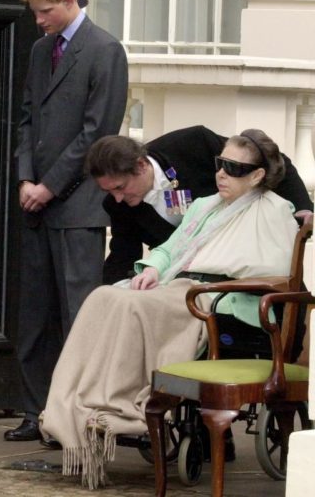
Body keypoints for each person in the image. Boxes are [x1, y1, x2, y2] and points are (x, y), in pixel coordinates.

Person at [40, 129, 299, 488]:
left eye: (234, 168)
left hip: (228, 299)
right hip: (185, 285)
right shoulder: (205, 205)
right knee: (104, 298)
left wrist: (198, 272)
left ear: (256, 175)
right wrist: (154, 269)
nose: (222, 173)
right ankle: (77, 409)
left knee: (138, 309)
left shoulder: (274, 211)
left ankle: (123, 408)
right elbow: (169, 248)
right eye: (220, 165)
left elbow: (271, 269)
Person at [6, 0, 129, 442]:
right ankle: (35, 411)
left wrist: (49, 186)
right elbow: (25, 119)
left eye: (44, 11)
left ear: (68, 1)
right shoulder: (41, 51)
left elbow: (96, 134)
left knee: (77, 316)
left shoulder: (105, 51)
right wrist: (23, 178)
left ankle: (74, 416)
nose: (38, 21)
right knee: (33, 318)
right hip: (35, 204)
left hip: (77, 209)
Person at [96, 125, 313, 285]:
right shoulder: (120, 205)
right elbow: (123, 259)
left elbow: (266, 160)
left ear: (141, 166)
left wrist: (303, 209)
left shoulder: (193, 144)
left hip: (228, 266)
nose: (117, 197)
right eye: (109, 191)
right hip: (177, 276)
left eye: (120, 187)